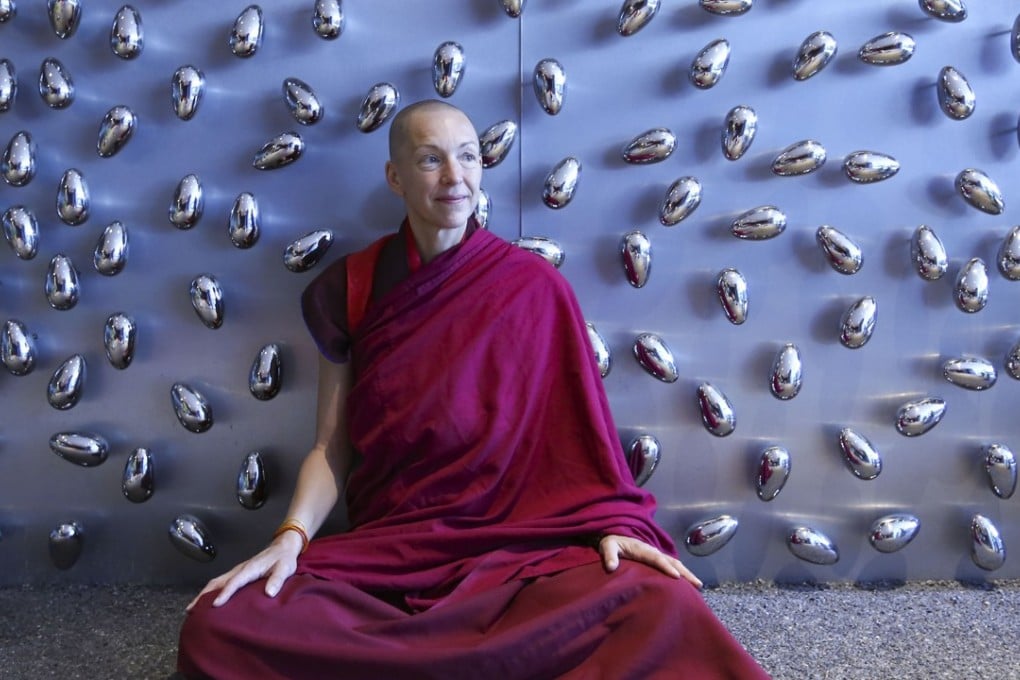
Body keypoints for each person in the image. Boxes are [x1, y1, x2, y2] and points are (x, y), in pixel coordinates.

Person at [177, 99, 769, 679]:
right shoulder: (351, 287)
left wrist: (613, 523)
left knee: (658, 602)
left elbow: (581, 438)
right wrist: (290, 539)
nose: (455, 177)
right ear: (395, 177)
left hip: (518, 549)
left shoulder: (534, 288)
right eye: (430, 160)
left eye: (467, 157)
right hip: (394, 550)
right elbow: (329, 448)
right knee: (217, 622)